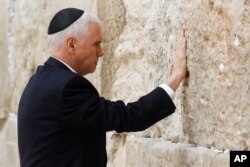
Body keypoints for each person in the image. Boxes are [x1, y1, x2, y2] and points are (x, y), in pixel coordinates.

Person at [18, 8, 187, 167]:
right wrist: (175, 77)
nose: (101, 52)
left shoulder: (39, 82)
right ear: (71, 45)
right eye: (96, 44)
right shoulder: (67, 88)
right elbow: (126, 117)